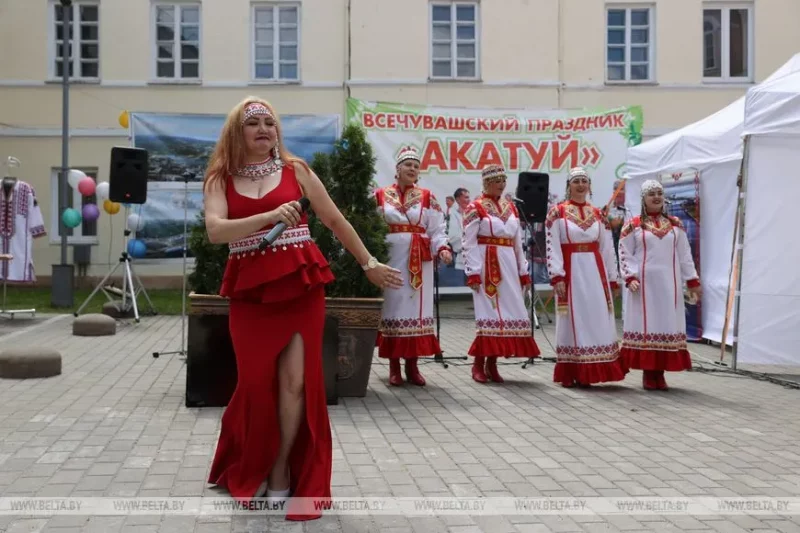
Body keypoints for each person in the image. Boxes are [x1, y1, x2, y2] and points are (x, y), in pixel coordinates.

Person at [203, 96, 402, 520]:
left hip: (300, 286)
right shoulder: (220, 178)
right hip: (251, 294)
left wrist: (368, 262)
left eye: (269, 123)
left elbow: (335, 220)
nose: (263, 129)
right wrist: (268, 216)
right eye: (252, 122)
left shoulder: (297, 172)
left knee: (295, 384)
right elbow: (216, 231)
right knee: (255, 386)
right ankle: (250, 461)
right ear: (236, 132)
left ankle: (279, 473)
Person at [375, 146, 452, 386]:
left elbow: (438, 228)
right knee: (394, 306)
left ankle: (413, 365)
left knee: (416, 308)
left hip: (420, 260)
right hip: (391, 258)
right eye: (408, 164)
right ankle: (394, 366)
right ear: (397, 169)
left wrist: (443, 248)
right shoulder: (379, 195)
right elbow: (372, 228)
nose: (412, 169)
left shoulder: (428, 196)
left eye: (416, 166)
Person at [545, 167, 626, 388]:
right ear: (568, 185)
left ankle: (590, 369)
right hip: (570, 272)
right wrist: (557, 276)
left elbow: (607, 248)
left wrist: (612, 278)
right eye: (576, 181)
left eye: (584, 181)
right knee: (570, 317)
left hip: (595, 273)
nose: (580, 185)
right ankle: (570, 370)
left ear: (589, 185)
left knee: (595, 316)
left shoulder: (598, 214)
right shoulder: (557, 212)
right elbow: (552, 245)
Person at [618, 179, 702, 390]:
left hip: (669, 285)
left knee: (666, 324)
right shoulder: (633, 225)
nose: (656, 197)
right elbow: (624, 253)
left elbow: (684, 254)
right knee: (648, 325)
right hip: (644, 286)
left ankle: (660, 373)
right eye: (651, 194)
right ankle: (649, 373)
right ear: (643, 199)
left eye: (659, 193)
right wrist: (630, 277)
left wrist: (691, 280)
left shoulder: (675, 225)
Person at [462, 164, 541, 383]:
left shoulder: (512, 208)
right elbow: (468, 243)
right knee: (488, 314)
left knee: (508, 313)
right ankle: (478, 364)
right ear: (487, 182)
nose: (502, 184)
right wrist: (474, 272)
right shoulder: (475, 207)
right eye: (497, 180)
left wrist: (523, 270)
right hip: (487, 263)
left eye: (504, 179)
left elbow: (517, 243)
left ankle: (493, 363)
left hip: (508, 264)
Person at [447, 187, 471, 272]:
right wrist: (469, 243)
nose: (468, 200)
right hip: (462, 259)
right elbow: (453, 237)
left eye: (469, 197)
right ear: (457, 199)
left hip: (478, 257)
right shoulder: (453, 214)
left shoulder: (473, 214)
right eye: (466, 197)